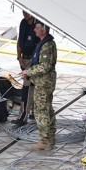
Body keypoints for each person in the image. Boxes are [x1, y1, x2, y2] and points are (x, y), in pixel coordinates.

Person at [21, 22, 57, 150]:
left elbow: (45, 66)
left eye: (37, 28)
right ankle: (51, 137)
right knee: (48, 109)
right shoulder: (48, 42)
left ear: (43, 31)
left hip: (44, 83)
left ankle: (45, 141)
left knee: (41, 112)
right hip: (46, 82)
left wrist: (28, 72)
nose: (34, 30)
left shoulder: (46, 45)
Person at [12, 10, 39, 125]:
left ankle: (24, 116)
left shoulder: (38, 25)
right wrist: (19, 57)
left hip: (34, 61)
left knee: (27, 88)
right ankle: (31, 111)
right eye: (23, 11)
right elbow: (19, 41)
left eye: (27, 12)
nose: (25, 14)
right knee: (29, 87)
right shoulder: (23, 23)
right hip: (24, 58)